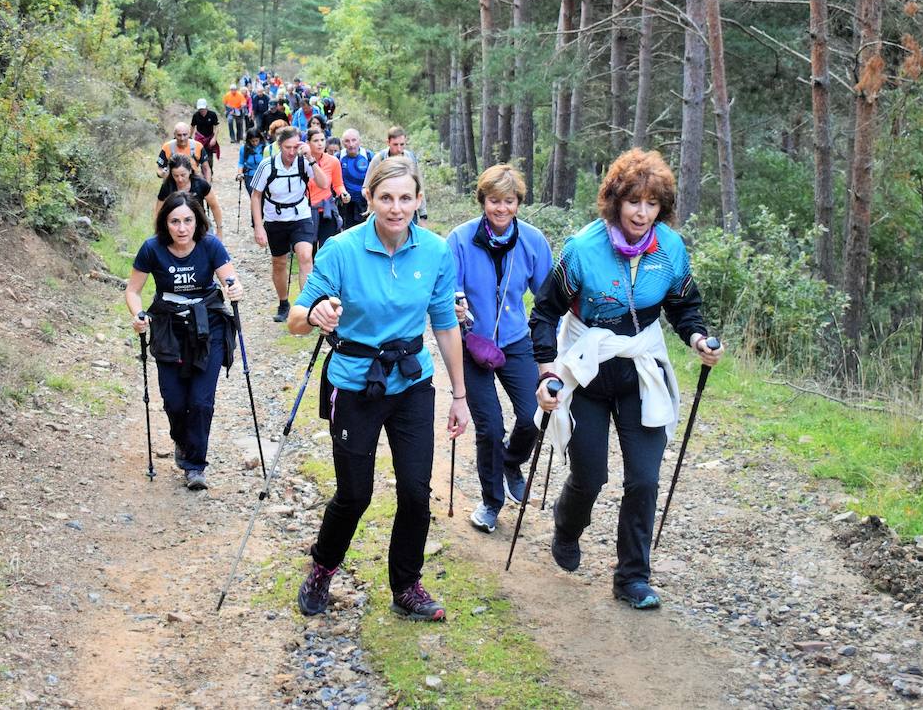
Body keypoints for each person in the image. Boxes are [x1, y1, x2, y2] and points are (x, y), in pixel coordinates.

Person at [529, 148, 725, 610]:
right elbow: (544, 312)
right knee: (590, 474)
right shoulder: (581, 250)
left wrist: (697, 338)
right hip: (588, 367)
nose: (641, 212)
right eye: (633, 201)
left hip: (640, 366)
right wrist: (546, 370)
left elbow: (683, 305)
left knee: (644, 478)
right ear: (615, 201)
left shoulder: (670, 249)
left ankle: (632, 577)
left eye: (652, 203)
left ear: (662, 208)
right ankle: (567, 525)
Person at [290, 155, 470, 622]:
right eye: (386, 197)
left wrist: (460, 395)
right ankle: (323, 567)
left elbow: (446, 323)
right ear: (368, 198)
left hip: (412, 381)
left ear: (418, 200)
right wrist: (317, 315)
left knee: (415, 490)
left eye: (405, 198)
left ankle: (406, 585)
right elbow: (295, 318)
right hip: (354, 383)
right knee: (355, 494)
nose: (396, 208)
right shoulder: (340, 249)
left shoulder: (434, 251)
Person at [447, 165, 553, 533]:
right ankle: (491, 503)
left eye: (509, 201)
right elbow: (447, 289)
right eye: (494, 201)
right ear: (483, 201)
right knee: (489, 427)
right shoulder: (459, 240)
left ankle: (511, 461)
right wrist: (456, 305)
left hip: (515, 340)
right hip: (473, 344)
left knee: (532, 417)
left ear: (519, 203)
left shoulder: (534, 241)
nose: (501, 209)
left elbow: (546, 298)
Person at [126, 192, 245, 490]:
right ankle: (182, 441)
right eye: (175, 221)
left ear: (197, 220)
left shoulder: (210, 245)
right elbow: (133, 290)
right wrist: (138, 314)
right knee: (175, 402)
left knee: (201, 402)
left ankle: (195, 466)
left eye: (188, 220)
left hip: (209, 329)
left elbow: (230, 278)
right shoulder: (152, 249)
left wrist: (235, 289)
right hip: (169, 329)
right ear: (165, 223)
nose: (182, 228)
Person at [248, 126, 331, 322]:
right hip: (275, 219)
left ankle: (306, 307)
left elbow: (324, 183)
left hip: (300, 215)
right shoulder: (267, 166)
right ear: (279, 146)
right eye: (287, 147)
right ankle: (284, 303)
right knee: (279, 262)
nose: (292, 152)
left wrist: (311, 158)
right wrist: (258, 227)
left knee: (305, 257)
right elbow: (256, 195)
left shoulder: (304, 162)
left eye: (295, 147)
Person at [364, 126, 426, 223]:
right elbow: (365, 188)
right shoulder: (379, 159)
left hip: (407, 210)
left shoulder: (411, 158)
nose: (399, 149)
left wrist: (423, 215)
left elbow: (419, 187)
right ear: (388, 142)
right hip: (383, 211)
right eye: (395, 144)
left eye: (402, 144)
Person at [155, 154, 224, 236]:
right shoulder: (167, 186)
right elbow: (158, 211)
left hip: (200, 223)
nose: (180, 179)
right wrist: (158, 231)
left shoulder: (200, 183)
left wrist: (219, 229)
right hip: (176, 225)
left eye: (183, 175)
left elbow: (214, 206)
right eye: (176, 176)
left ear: (190, 171)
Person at [304, 127, 350, 248]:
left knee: (327, 248)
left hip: (327, 210)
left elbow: (338, 185)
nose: (320, 144)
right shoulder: (300, 162)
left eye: (322, 140)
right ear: (308, 143)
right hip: (306, 211)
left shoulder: (333, 161)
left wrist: (343, 193)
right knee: (309, 250)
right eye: (315, 141)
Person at [338, 129, 373, 230]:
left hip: (365, 203)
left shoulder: (369, 156)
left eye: (354, 140)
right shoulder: (338, 157)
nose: (351, 144)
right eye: (347, 141)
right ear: (343, 143)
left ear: (360, 141)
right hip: (346, 205)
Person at [191, 99, 220, 175]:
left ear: (206, 107)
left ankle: (209, 172)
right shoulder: (196, 116)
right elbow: (192, 126)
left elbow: (216, 127)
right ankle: (201, 172)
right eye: (200, 109)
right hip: (199, 138)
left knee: (209, 157)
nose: (202, 111)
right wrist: (189, 137)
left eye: (203, 109)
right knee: (198, 155)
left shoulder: (212, 115)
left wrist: (214, 138)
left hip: (209, 138)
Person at [238, 129, 266, 196]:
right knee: (253, 196)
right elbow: (241, 162)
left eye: (257, 140)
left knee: (263, 198)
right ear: (248, 140)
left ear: (260, 138)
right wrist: (239, 174)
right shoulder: (243, 148)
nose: (255, 143)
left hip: (263, 175)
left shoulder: (265, 147)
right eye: (252, 141)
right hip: (249, 176)